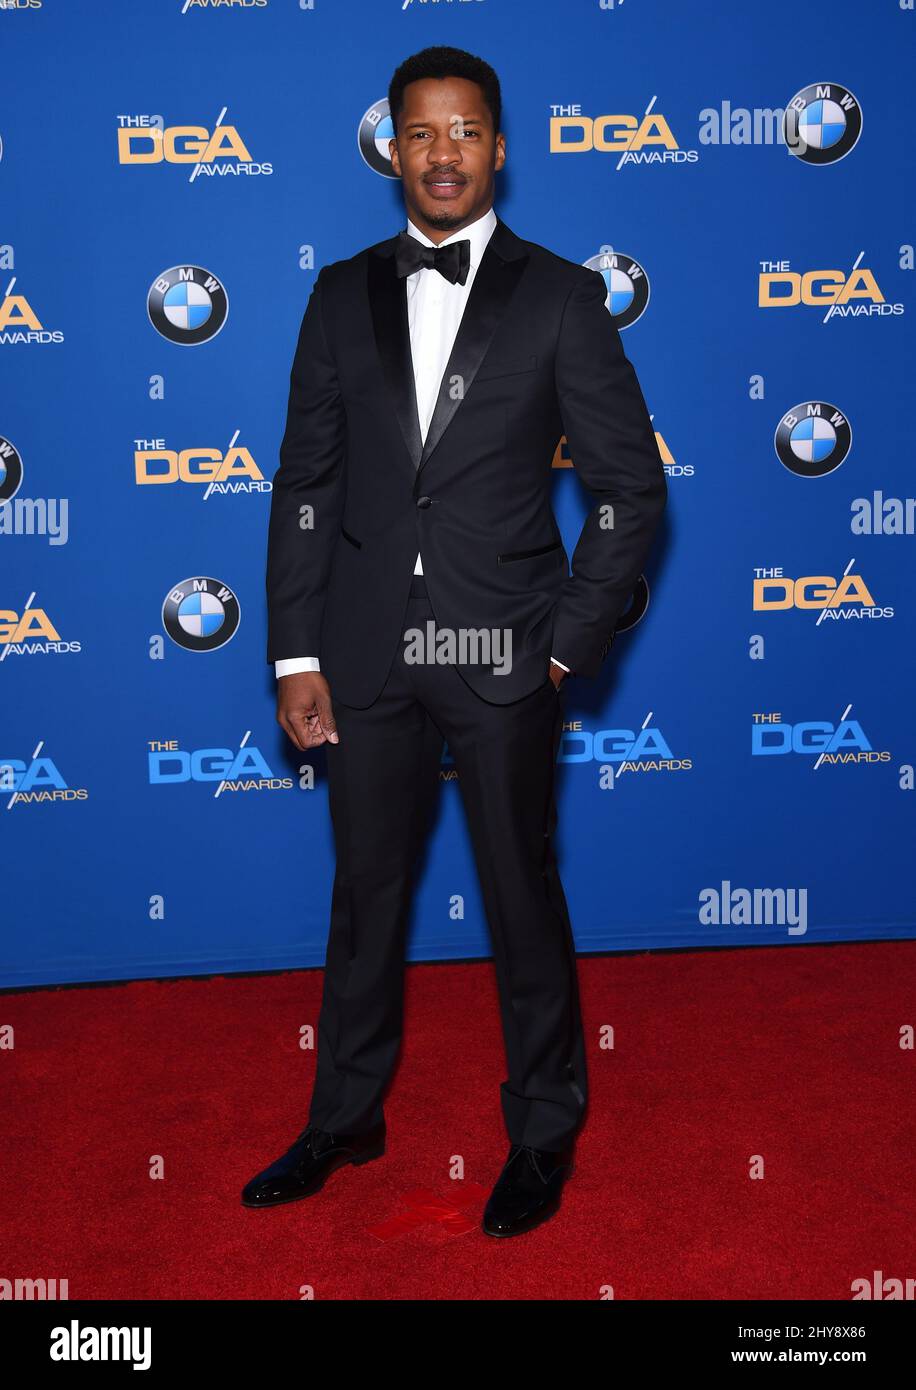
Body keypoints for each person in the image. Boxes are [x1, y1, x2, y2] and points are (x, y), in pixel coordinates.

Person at [243, 44, 666, 1237]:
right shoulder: (339, 294)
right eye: (421, 132)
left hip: (506, 654)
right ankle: (346, 1115)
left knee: (520, 894)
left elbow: (632, 491)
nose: (443, 153)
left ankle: (542, 1129)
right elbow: (306, 483)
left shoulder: (562, 298)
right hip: (363, 653)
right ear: (393, 148)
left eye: (466, 130)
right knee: (364, 895)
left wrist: (567, 644)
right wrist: (293, 652)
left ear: (499, 146)